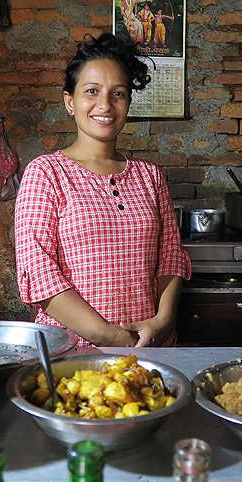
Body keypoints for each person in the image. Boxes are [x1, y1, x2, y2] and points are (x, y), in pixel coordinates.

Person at [14, 33, 191, 348]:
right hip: (74, 352)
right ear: (70, 102)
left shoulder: (151, 177)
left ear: (128, 103)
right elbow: (38, 271)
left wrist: (162, 323)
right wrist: (108, 336)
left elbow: (170, 258)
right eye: (92, 91)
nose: (105, 105)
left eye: (118, 93)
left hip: (151, 349)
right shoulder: (46, 173)